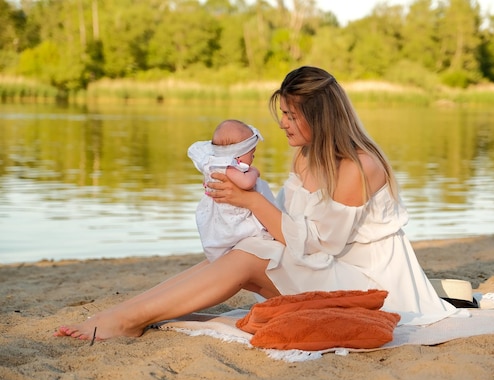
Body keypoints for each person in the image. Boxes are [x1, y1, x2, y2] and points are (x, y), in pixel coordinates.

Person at [55, 66, 457, 341]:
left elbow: (322, 245)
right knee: (239, 252)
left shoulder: (358, 166)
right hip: (326, 268)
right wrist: (234, 202)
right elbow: (282, 229)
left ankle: (124, 321)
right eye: (282, 112)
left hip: (371, 286)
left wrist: (250, 200)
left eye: (290, 115)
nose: (282, 123)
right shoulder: (305, 157)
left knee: (248, 256)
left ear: (320, 116)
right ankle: (126, 315)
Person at [188, 119, 275, 262]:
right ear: (238, 156)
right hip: (233, 219)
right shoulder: (229, 168)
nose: (253, 157)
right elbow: (246, 183)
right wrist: (254, 172)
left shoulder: (214, 166)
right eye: (251, 153)